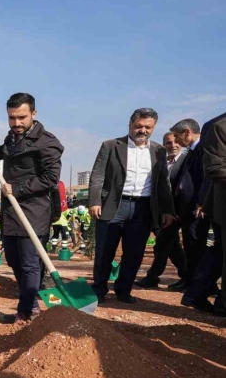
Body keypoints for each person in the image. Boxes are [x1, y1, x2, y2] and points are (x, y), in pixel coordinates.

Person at [0, 93, 64, 323]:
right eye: (11, 117)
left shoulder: (47, 143)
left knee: (30, 265)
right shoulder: (12, 139)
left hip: (34, 213)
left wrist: (17, 188)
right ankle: (32, 307)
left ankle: (25, 310)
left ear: (34, 114)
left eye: (22, 117)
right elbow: (4, 154)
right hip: (11, 213)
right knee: (14, 261)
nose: (16, 123)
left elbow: (50, 179)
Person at [89, 108, 176, 304]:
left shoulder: (159, 151)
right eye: (139, 126)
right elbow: (97, 176)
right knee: (104, 251)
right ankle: (99, 289)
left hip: (143, 209)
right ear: (130, 124)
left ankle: (123, 289)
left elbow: (163, 182)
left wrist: (168, 209)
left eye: (148, 127)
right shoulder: (111, 146)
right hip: (113, 206)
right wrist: (94, 201)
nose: (143, 130)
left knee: (134, 253)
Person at [135, 132, 187, 289]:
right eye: (168, 143)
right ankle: (186, 276)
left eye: (176, 142)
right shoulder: (161, 162)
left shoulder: (187, 161)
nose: (173, 145)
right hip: (163, 212)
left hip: (180, 211)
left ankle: (153, 276)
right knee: (170, 246)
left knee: (164, 245)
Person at [186, 110, 226, 314]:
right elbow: (215, 169)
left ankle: (197, 294)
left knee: (218, 253)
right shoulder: (219, 127)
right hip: (222, 203)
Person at [168, 119, 209, 296]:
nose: (176, 141)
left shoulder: (203, 149)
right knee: (190, 246)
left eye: (177, 137)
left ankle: (199, 285)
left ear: (187, 132)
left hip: (197, 208)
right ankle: (191, 281)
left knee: (196, 246)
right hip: (186, 208)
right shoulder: (191, 152)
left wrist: (202, 202)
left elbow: (206, 178)